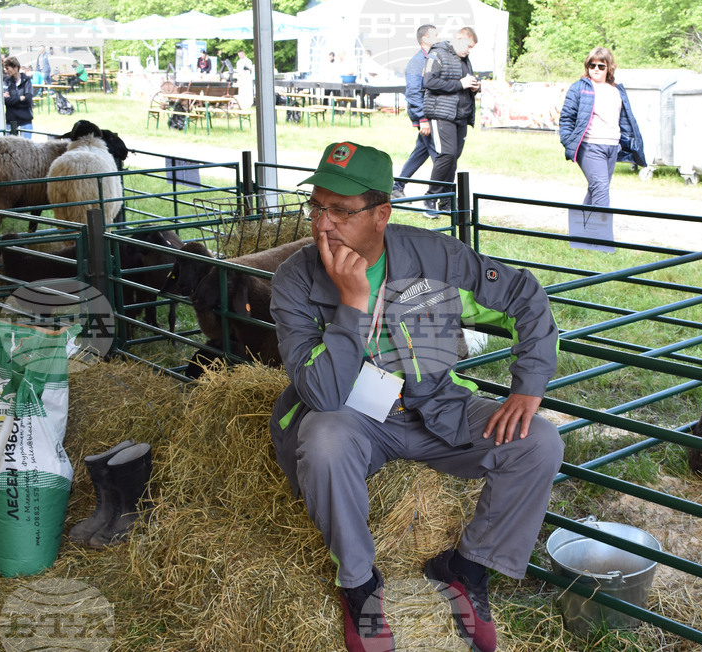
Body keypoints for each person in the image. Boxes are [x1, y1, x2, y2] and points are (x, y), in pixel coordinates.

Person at [269, 141, 564, 652]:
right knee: (322, 441)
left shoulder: (438, 259)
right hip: (352, 416)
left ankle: (466, 569)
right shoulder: (295, 280)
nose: (322, 224)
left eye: (340, 210)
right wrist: (353, 304)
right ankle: (360, 586)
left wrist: (529, 385)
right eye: (316, 206)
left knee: (539, 443)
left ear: (381, 214)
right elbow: (320, 392)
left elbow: (524, 296)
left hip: (437, 406)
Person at [558, 47, 646, 225]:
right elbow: (566, 117)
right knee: (601, 189)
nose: (596, 69)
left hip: (612, 146)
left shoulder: (617, 90)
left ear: (609, 68)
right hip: (590, 146)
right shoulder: (580, 88)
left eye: (600, 65)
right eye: (592, 65)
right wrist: (569, 142)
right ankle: (600, 240)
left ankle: (582, 234)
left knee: (596, 189)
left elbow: (625, 119)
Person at [422, 27, 481, 217]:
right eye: (468, 46)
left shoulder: (465, 59)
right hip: (442, 113)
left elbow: (464, 81)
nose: (469, 51)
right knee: (446, 154)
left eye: (472, 48)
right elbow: (429, 83)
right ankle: (430, 199)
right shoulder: (438, 54)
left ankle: (446, 201)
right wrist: (460, 84)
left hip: (461, 115)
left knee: (453, 158)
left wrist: (474, 87)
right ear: (459, 39)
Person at [391, 24, 439, 200]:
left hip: (429, 115)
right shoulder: (418, 61)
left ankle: (397, 187)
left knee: (421, 152)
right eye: (435, 34)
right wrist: (422, 119)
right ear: (425, 39)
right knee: (440, 157)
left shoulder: (430, 59)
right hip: (425, 116)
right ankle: (443, 197)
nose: (439, 37)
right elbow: (412, 92)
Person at [2, 56, 33, 138]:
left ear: (15, 68)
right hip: (10, 120)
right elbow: (5, 101)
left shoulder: (27, 81)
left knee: (26, 148)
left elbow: (28, 100)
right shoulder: (7, 82)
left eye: (7, 68)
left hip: (25, 121)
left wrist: (11, 99)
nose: (6, 71)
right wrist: (20, 98)